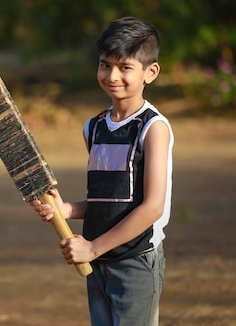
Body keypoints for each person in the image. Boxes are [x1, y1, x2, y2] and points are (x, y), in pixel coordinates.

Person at [30, 16, 174, 326]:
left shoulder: (153, 128)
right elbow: (107, 200)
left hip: (135, 262)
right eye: (105, 65)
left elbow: (151, 207)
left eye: (125, 67)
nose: (112, 75)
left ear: (151, 72)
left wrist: (93, 247)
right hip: (96, 262)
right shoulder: (93, 128)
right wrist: (66, 209)